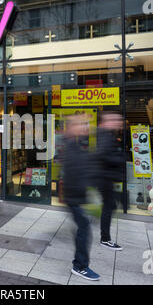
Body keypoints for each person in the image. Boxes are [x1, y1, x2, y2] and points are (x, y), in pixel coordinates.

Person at [63, 113, 100, 281]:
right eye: (81, 124)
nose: (85, 127)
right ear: (72, 127)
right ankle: (79, 266)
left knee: (82, 228)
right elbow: (73, 174)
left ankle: (80, 264)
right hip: (74, 198)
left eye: (86, 124)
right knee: (84, 229)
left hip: (78, 197)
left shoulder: (76, 145)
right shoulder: (70, 146)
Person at [96, 111, 125, 251]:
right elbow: (102, 154)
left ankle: (105, 236)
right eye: (114, 119)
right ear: (105, 121)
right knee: (109, 206)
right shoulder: (104, 135)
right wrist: (119, 158)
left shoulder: (106, 134)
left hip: (105, 178)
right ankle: (105, 239)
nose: (118, 122)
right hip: (104, 178)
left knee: (110, 205)